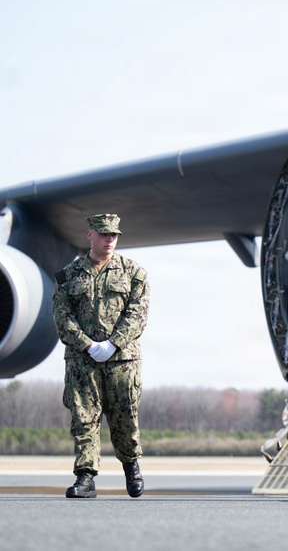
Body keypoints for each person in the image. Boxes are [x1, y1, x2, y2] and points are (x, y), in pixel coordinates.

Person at [52, 213, 150, 499]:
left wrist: (113, 343)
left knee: (125, 416)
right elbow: (62, 316)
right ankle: (85, 477)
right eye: (104, 234)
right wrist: (86, 344)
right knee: (84, 418)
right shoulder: (68, 276)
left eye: (114, 235)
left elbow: (138, 315)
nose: (110, 239)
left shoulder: (134, 274)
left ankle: (131, 467)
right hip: (82, 361)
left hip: (122, 360)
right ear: (90, 235)